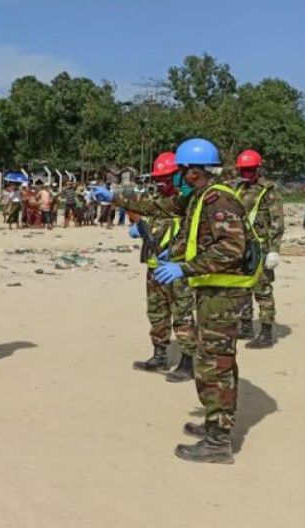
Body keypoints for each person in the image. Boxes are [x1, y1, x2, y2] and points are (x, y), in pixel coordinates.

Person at [95, 137, 255, 464]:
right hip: (213, 290)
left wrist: (183, 267)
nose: (178, 177)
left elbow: (231, 249)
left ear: (194, 171)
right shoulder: (198, 197)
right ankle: (216, 423)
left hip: (223, 294)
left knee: (215, 362)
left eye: (181, 171)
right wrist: (115, 197)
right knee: (214, 360)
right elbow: (161, 207)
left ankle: (218, 441)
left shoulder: (217, 201)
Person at [128, 152, 197, 383]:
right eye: (158, 178)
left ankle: (188, 362)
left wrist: (177, 254)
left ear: (178, 175)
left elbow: (194, 233)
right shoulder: (156, 199)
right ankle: (159, 355)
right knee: (157, 312)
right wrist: (140, 230)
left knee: (182, 313)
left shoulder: (187, 201)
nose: (161, 183)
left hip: (177, 268)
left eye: (166, 178)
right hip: (155, 266)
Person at [234, 150, 285, 348]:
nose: (246, 174)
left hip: (261, 247)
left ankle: (266, 332)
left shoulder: (268, 190)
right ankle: (246, 326)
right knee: (242, 287)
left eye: (249, 170)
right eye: (243, 170)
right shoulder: (237, 188)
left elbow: (277, 222)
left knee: (262, 289)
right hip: (240, 246)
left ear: (257, 169)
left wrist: (274, 250)